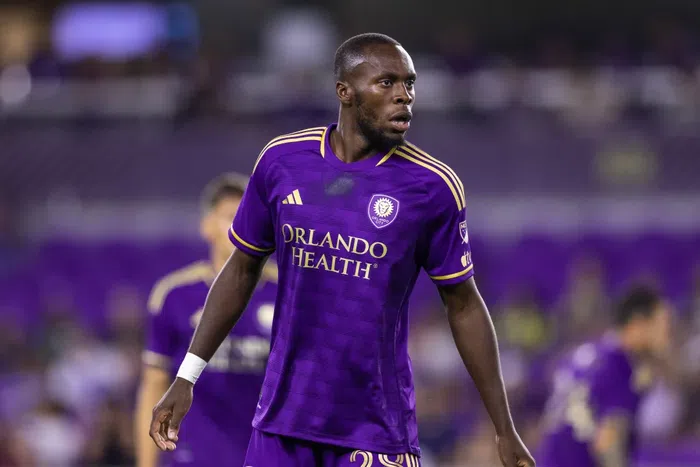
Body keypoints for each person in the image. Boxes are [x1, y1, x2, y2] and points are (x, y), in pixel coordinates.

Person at [150, 33, 534, 467]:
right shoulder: (282, 161)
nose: (404, 96)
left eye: (409, 83)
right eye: (387, 83)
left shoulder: (432, 187)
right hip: (280, 425)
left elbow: (463, 305)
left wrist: (504, 428)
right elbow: (241, 270)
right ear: (345, 91)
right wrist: (187, 376)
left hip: (375, 431)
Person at [136, 174, 277, 466]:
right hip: (195, 456)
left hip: (267, 456)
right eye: (231, 217)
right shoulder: (174, 295)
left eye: (249, 216)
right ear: (207, 227)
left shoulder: (286, 289)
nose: (242, 225)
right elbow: (154, 386)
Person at [538, 285, 672, 467]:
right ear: (638, 324)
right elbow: (607, 443)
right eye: (662, 324)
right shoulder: (619, 366)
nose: (667, 334)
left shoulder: (589, 353)